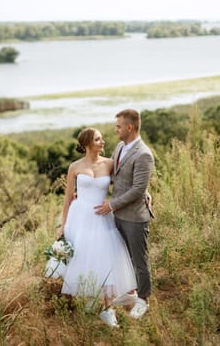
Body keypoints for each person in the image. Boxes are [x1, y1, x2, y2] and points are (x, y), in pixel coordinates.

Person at [57, 127, 137, 328]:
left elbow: (125, 185)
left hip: (102, 216)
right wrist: (63, 225)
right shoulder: (74, 167)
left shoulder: (110, 163)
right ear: (87, 144)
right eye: (98, 139)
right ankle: (93, 299)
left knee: (106, 257)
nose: (103, 142)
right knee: (84, 258)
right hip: (80, 218)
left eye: (102, 138)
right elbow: (67, 198)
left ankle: (108, 309)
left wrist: (144, 194)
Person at [95, 108, 155, 319]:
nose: (116, 129)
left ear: (130, 127)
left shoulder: (144, 154)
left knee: (139, 260)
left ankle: (143, 299)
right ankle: (130, 293)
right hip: (119, 216)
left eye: (118, 126)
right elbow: (115, 174)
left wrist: (111, 205)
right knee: (124, 258)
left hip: (135, 217)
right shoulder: (120, 146)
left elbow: (138, 189)